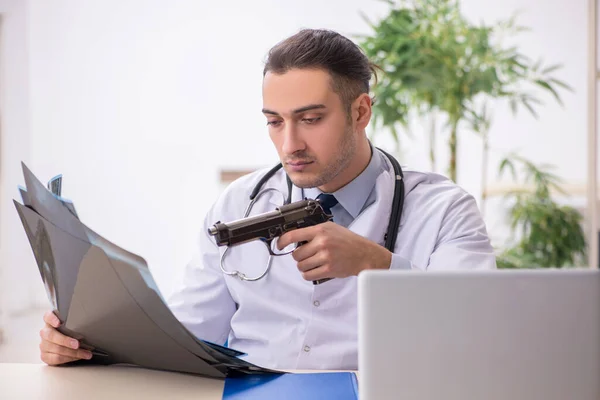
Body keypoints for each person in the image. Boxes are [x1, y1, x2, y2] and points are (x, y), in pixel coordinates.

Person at [38, 28, 497, 369]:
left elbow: (481, 334)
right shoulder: (240, 203)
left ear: (361, 111)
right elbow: (189, 336)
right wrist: (91, 349)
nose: (288, 143)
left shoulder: (443, 209)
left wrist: (378, 264)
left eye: (310, 119)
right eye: (274, 121)